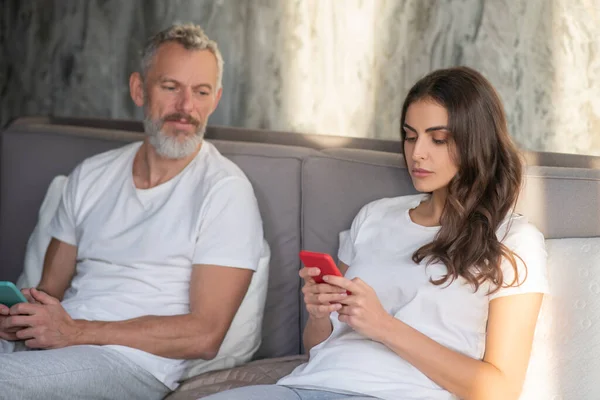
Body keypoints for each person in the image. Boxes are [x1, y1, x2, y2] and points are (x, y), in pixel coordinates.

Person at [201, 67, 548, 400]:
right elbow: (318, 349)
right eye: (410, 137)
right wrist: (321, 313)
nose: (418, 153)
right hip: (306, 385)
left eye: (438, 139)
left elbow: (499, 389)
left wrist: (383, 326)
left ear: (477, 143)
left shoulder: (513, 240)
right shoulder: (375, 216)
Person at [0, 23, 268, 400]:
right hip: (54, 348)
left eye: (201, 92)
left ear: (215, 99)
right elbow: (49, 291)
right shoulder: (91, 175)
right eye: (171, 87)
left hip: (130, 363)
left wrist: (76, 331)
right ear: (139, 89)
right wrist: (22, 320)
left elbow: (205, 335)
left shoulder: (225, 191)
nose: (186, 107)